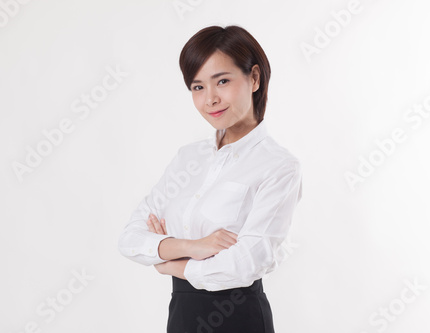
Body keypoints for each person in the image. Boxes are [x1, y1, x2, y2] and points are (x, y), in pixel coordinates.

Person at [118, 24, 303, 333]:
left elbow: (247, 263)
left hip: (239, 318)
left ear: (254, 78)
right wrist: (195, 245)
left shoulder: (278, 166)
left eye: (223, 81)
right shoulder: (187, 158)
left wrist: (170, 263)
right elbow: (130, 239)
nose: (210, 99)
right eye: (198, 87)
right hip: (181, 317)